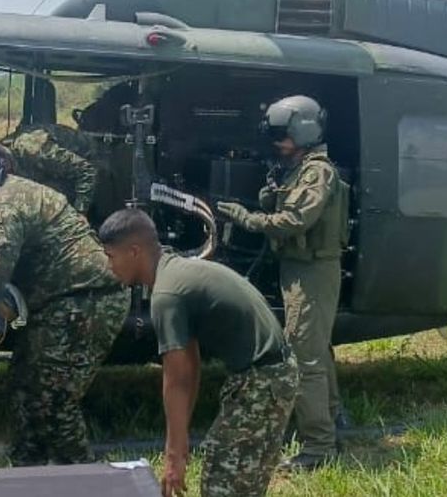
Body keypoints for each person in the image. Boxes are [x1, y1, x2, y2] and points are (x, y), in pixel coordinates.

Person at [0, 140, 128, 465]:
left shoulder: (5, 206)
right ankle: (27, 469)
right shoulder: (8, 193)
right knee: (23, 384)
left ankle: (84, 478)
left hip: (87, 299)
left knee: (54, 399)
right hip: (61, 300)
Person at [100, 209, 298, 497]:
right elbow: (191, 366)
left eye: (110, 256)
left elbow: (177, 378)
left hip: (262, 380)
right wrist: (179, 446)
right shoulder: (177, 271)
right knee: (239, 483)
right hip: (275, 373)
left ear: (134, 251)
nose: (108, 266)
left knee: (222, 486)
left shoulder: (166, 295)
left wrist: (173, 455)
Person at [216, 94, 349, 470]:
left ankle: (318, 447)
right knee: (316, 351)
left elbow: (293, 222)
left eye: (282, 135)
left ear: (302, 132)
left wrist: (247, 218)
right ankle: (331, 420)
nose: (277, 143)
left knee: (303, 358)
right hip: (298, 269)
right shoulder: (297, 168)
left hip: (312, 271)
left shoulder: (317, 172)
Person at [0, 123, 100, 216]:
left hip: (96, 159)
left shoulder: (35, 151)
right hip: (56, 171)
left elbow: (86, 170)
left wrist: (80, 213)